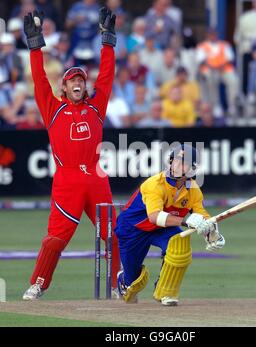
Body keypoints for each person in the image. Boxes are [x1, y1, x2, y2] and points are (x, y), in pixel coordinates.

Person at [22, 7, 120, 300]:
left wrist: (108, 41)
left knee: (113, 235)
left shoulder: (96, 107)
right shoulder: (53, 109)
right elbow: (39, 80)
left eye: (81, 80)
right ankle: (38, 283)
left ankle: (119, 283)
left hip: (96, 178)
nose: (78, 83)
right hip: (67, 181)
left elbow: (107, 76)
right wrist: (36, 45)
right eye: (72, 81)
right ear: (64, 87)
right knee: (57, 238)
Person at [115, 144, 225, 306]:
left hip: (162, 229)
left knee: (179, 245)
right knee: (133, 285)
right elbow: (154, 217)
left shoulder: (193, 189)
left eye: (184, 162)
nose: (177, 165)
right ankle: (124, 279)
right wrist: (186, 221)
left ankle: (166, 290)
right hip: (132, 229)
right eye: (175, 161)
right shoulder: (155, 184)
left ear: (192, 169)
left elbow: (202, 215)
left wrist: (212, 232)